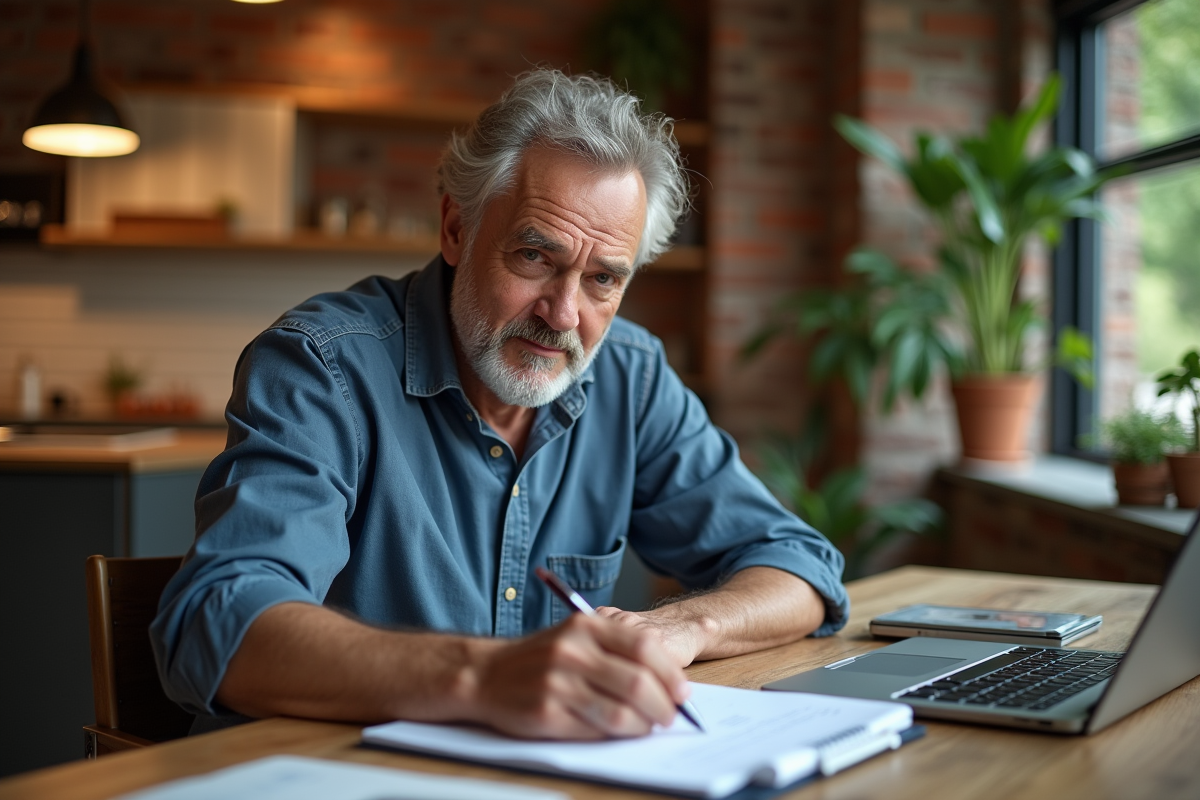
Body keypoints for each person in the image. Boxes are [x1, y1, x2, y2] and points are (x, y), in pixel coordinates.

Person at [151, 69, 849, 741]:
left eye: (603, 279)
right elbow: (216, 624)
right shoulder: (322, 367)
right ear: (456, 228)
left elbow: (799, 566)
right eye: (535, 258)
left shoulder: (631, 377)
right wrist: (483, 677)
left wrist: (681, 627)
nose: (563, 315)